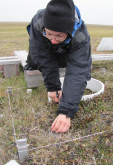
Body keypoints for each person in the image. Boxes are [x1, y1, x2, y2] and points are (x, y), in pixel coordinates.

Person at [25, 0, 92, 133]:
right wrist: (53, 86)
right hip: (42, 48)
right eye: (48, 33)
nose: (54, 40)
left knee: (68, 63)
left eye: (59, 36)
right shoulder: (39, 21)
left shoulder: (80, 36)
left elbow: (78, 70)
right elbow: (42, 54)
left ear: (69, 31)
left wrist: (66, 111)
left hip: (66, 51)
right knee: (35, 59)